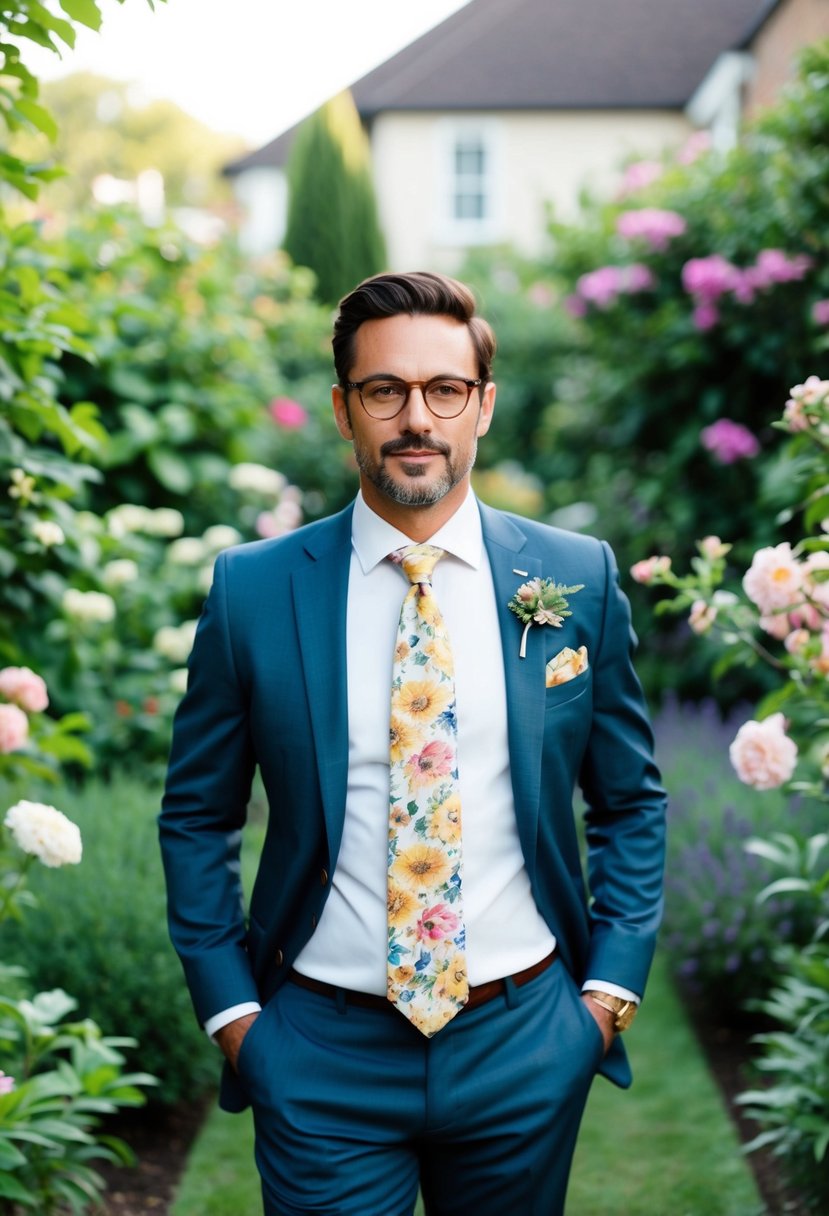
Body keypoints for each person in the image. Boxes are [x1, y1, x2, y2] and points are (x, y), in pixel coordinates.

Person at [159, 271, 666, 1216]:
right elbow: (196, 814)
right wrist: (234, 1016)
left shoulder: (575, 578)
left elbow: (629, 801)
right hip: (319, 1047)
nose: (416, 419)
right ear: (343, 409)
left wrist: (604, 1001)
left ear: (484, 406)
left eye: (445, 390)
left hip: (524, 1040)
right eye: (385, 390)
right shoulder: (253, 589)